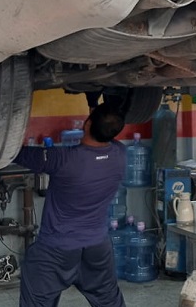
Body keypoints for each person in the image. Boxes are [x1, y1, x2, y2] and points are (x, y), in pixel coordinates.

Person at [14, 103, 127, 307]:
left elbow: (17, 154)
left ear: (88, 124)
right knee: (109, 301)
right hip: (97, 247)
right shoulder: (120, 154)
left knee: (36, 301)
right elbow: (107, 131)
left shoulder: (63, 159)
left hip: (56, 249)